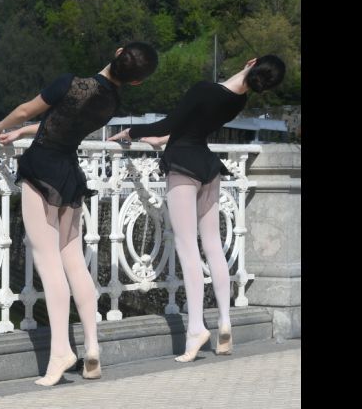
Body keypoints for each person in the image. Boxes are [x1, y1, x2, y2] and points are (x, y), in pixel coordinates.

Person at [0, 43, 159, 385]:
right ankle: (91, 349)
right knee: (73, 260)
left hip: (42, 167)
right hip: (70, 173)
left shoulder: (70, 83)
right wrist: (22, 131)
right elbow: (62, 122)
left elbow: (28, 109)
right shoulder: (111, 101)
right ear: (136, 82)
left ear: (116, 51)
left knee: (48, 261)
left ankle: (61, 351)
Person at [108, 55, 286, 360]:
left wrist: (130, 133)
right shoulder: (237, 102)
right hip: (207, 166)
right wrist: (160, 139)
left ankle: (195, 329)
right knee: (213, 246)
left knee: (187, 247)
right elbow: (188, 128)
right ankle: (225, 323)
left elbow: (170, 123)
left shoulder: (205, 89)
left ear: (251, 61)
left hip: (184, 165)